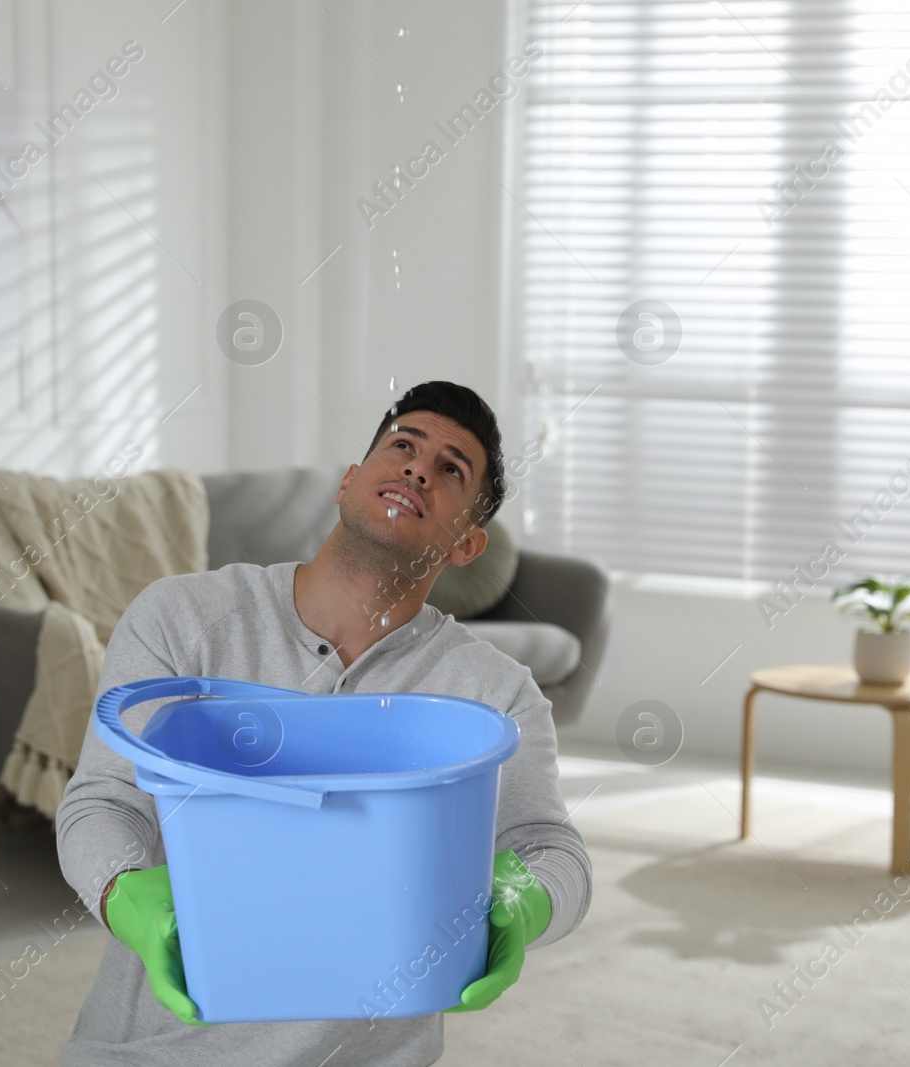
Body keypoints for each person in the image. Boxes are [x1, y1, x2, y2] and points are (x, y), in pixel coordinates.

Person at [55, 380, 593, 1066]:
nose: (418, 467)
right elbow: (100, 801)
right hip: (151, 1050)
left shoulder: (492, 693)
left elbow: (554, 849)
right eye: (403, 445)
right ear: (347, 482)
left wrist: (521, 901)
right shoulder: (183, 617)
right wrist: (128, 893)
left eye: (451, 468)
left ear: (468, 544)